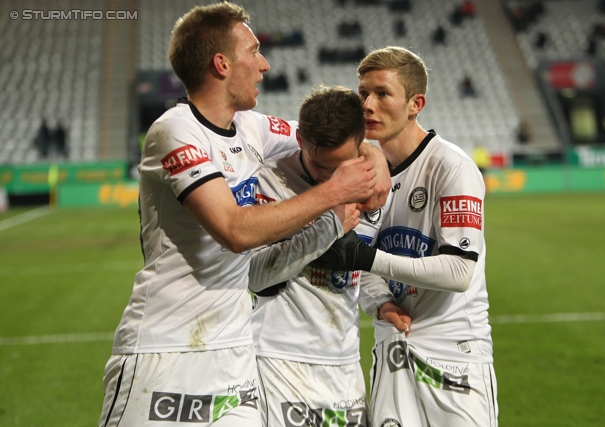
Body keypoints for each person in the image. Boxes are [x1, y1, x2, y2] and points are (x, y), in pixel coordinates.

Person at [97, 3, 390, 426]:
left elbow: (325, 135)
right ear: (221, 64)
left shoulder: (251, 127)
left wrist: (372, 152)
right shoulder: (174, 131)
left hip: (234, 356)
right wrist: (333, 193)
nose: (264, 64)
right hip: (165, 348)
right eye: (253, 52)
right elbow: (233, 230)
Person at [315, 46, 498, 426]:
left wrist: (367, 260)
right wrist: (381, 301)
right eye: (363, 93)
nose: (367, 105)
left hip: (455, 356)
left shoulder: (451, 167)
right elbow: (360, 258)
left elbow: (458, 272)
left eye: (382, 94)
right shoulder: (361, 174)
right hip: (394, 347)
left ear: (416, 104)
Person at [247, 86, 410, 427]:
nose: (331, 177)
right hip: (281, 360)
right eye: (321, 166)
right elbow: (257, 276)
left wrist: (380, 300)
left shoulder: (372, 182)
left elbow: (357, 259)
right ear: (300, 139)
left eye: (341, 167)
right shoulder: (269, 181)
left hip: (344, 360)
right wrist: (328, 226)